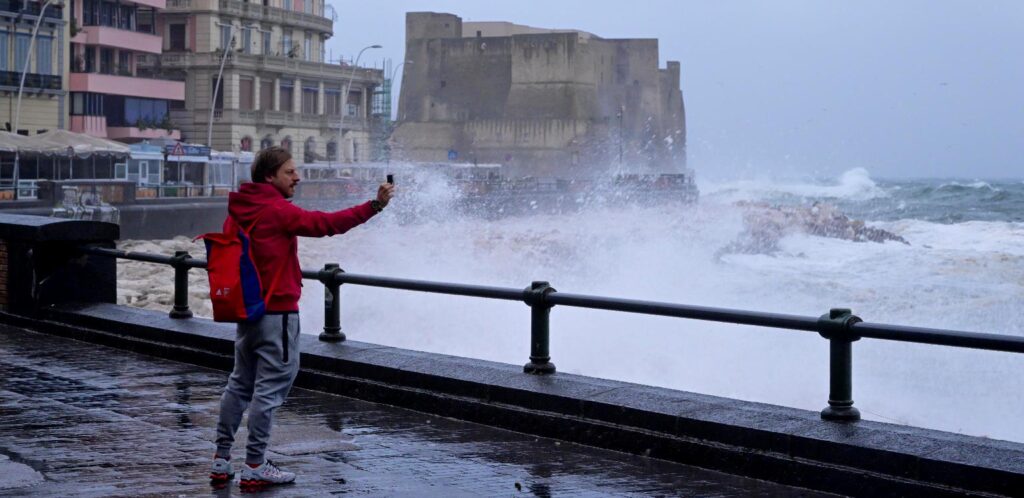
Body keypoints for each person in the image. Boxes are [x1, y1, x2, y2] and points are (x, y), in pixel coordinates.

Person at [209, 147, 394, 489]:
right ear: (270, 176)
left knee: (238, 386)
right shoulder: (277, 211)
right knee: (269, 391)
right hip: (277, 315)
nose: (298, 177)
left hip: (246, 312)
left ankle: (221, 460)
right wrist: (375, 206)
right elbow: (326, 225)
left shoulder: (238, 211)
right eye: (290, 172)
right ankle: (255, 465)